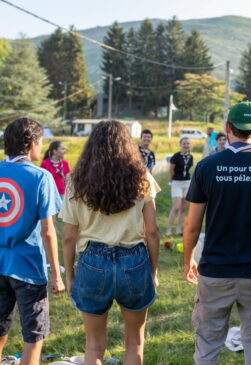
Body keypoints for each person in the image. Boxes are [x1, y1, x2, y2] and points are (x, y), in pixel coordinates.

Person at [183, 101, 251, 365]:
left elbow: (191, 225)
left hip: (215, 271)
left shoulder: (207, 166)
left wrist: (188, 258)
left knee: (208, 347)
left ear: (227, 128)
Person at [60, 120, 160, 365]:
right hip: (134, 260)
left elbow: (68, 236)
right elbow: (153, 231)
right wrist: (153, 271)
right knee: (135, 342)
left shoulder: (76, 180)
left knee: (93, 347)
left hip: (92, 262)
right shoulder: (142, 176)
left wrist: (70, 275)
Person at [0, 118, 65, 365]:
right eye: (41, 142)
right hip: (27, 266)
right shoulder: (41, 177)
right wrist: (57, 276)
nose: (42, 147)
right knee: (34, 334)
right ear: (30, 145)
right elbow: (48, 231)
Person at [167, 137, 193, 236]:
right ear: (180, 144)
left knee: (183, 208)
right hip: (177, 183)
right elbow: (171, 170)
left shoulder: (191, 156)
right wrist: (171, 181)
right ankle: (169, 230)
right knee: (176, 207)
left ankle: (179, 229)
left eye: (188, 143)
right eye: (184, 143)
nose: (186, 145)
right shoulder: (176, 156)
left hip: (187, 182)